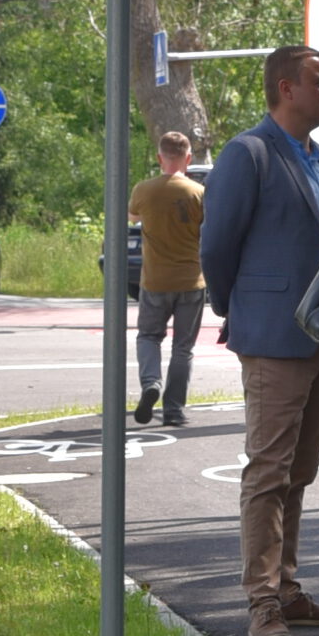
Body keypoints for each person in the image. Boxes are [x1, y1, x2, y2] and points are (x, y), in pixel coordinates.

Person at [199, 45, 319, 636]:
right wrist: (234, 307)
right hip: (271, 335)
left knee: (300, 470)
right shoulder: (248, 153)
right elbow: (217, 246)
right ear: (286, 88)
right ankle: (262, 600)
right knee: (268, 471)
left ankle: (287, 589)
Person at [128, 130, 205, 428]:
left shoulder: (144, 190)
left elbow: (133, 217)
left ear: (160, 158)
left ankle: (151, 382)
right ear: (188, 158)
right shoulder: (198, 193)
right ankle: (174, 410)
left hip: (155, 281)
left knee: (149, 337)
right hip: (191, 281)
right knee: (183, 348)